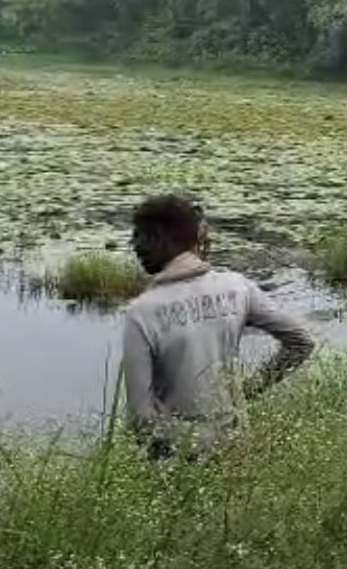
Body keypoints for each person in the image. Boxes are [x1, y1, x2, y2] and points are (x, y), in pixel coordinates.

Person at [122, 195, 314, 458]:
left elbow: (140, 417)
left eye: (139, 236)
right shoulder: (238, 286)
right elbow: (301, 342)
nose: (134, 246)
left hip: (178, 462)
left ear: (162, 239)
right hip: (236, 446)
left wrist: (169, 452)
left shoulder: (140, 313)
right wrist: (246, 393)